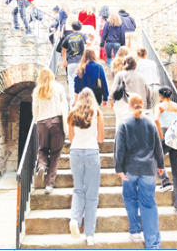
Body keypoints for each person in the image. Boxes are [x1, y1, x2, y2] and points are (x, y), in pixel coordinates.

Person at [114, 93, 164, 249]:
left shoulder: (124, 123)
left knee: (129, 197)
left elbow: (119, 149)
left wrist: (119, 168)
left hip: (130, 169)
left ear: (129, 105)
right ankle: (153, 245)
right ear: (141, 104)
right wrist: (160, 165)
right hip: (148, 169)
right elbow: (158, 146)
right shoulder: (150, 123)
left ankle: (135, 230)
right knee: (149, 204)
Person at [67, 88, 104, 246]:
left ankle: (75, 220)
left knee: (78, 190)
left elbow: (70, 137)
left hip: (75, 153)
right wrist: (92, 135)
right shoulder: (97, 113)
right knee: (92, 195)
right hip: (91, 153)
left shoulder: (72, 113)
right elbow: (101, 138)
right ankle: (89, 235)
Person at [32, 67, 68, 194]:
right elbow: (64, 105)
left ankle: (41, 166)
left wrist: (38, 120)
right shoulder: (58, 87)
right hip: (55, 122)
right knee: (55, 153)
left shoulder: (37, 90)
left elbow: (35, 110)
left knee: (43, 148)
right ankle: (49, 184)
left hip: (42, 122)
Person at [109, 55, 152, 127]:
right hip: (139, 105)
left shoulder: (120, 74)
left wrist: (111, 102)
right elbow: (148, 91)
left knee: (121, 125)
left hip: (124, 105)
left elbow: (114, 89)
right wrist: (148, 106)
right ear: (135, 64)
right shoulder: (141, 76)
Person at [62, 21, 92, 109]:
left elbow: (63, 51)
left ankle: (73, 106)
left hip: (71, 62)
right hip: (81, 62)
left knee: (71, 83)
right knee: (83, 82)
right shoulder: (83, 35)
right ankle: (84, 105)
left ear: (72, 28)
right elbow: (89, 42)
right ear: (81, 28)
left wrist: (64, 61)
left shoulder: (68, 37)